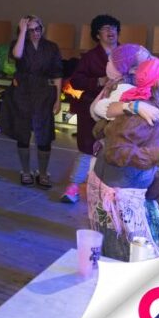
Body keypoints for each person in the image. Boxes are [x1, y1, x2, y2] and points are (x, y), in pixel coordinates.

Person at [88, 58, 159, 260]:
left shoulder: (154, 108)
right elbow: (115, 152)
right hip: (118, 197)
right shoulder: (141, 115)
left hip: (130, 191)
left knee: (144, 249)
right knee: (127, 254)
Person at [63, 14, 120, 204]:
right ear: (97, 34)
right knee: (87, 148)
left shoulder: (126, 54)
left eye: (113, 27)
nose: (111, 31)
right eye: (105, 28)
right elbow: (76, 81)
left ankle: (112, 192)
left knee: (116, 149)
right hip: (92, 108)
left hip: (118, 108)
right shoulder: (89, 57)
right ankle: (73, 187)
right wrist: (98, 81)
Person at [6, 15, 62, 187]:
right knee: (23, 132)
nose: (35, 33)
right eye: (30, 30)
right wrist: (23, 32)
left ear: (42, 29)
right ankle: (26, 171)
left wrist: (58, 99)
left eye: (37, 29)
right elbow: (17, 54)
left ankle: (43, 172)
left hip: (44, 93)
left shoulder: (51, 47)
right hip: (22, 92)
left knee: (44, 134)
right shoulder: (18, 44)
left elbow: (57, 74)